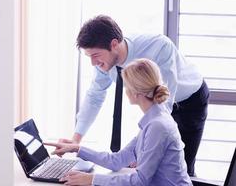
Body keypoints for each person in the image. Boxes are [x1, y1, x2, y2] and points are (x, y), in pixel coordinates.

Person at [58, 15, 209, 176]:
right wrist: (76, 139)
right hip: (158, 110)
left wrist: (145, 149)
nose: (93, 63)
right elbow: (94, 97)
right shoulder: (104, 63)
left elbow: (164, 103)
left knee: (180, 169)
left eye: (95, 55)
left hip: (189, 100)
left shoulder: (158, 46)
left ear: (114, 44)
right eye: (89, 57)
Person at [45, 58, 192, 185]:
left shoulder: (157, 126)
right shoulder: (154, 120)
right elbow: (117, 160)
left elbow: (140, 181)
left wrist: (91, 180)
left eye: (126, 85)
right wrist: (76, 148)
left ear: (136, 92)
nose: (125, 89)